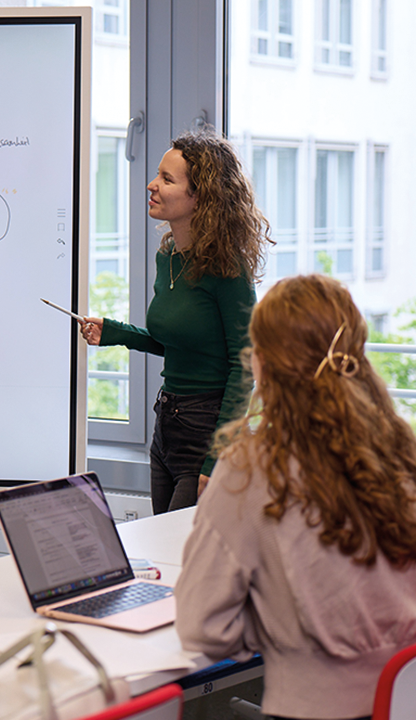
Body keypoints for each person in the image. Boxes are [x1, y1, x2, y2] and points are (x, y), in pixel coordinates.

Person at [175, 274, 416, 720]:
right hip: (415, 704)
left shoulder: (252, 468)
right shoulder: (396, 452)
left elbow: (202, 628)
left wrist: (277, 627)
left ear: (262, 364)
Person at [80, 128, 269, 514]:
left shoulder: (228, 269)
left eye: (167, 179)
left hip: (207, 431)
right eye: (157, 175)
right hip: (167, 423)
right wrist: (115, 333)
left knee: (185, 558)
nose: (152, 185)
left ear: (202, 197)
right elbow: (179, 343)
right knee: (162, 555)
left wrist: (218, 458)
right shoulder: (169, 258)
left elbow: (245, 365)